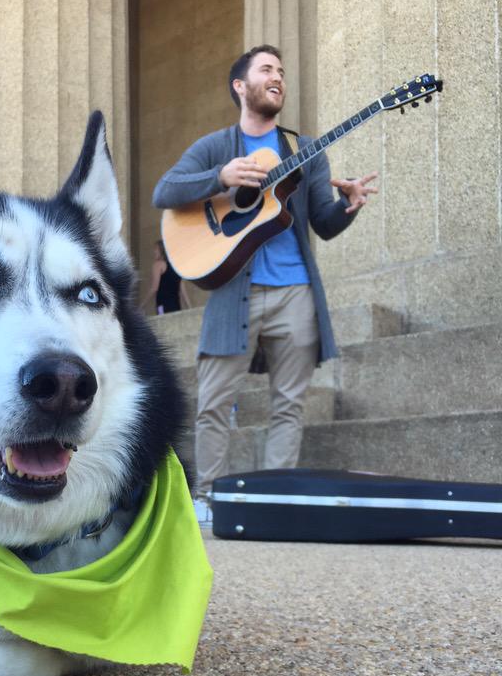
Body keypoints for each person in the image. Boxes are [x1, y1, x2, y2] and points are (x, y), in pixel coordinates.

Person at [152, 45, 377, 524]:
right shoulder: (218, 146)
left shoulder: (304, 148)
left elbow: (324, 222)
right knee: (213, 401)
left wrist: (349, 206)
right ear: (241, 86)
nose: (278, 77)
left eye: (281, 72)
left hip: (296, 290)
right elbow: (163, 191)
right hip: (235, 291)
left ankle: (274, 501)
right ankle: (208, 499)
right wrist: (221, 176)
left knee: (289, 403)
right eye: (266, 70)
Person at [140, 240, 191, 315]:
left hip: (162, 306)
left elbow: (154, 288)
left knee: (162, 323)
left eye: (156, 249)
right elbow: (183, 291)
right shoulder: (176, 267)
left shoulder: (158, 265)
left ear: (162, 250)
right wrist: (190, 307)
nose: (154, 252)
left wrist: (142, 305)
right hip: (176, 307)